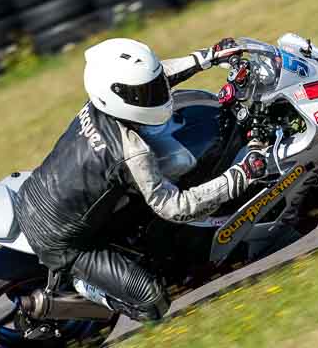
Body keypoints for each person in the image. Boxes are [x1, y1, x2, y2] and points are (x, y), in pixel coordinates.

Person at [14, 38, 267, 321]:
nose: (157, 94)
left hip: (35, 193)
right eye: (147, 92)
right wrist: (239, 176)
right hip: (63, 243)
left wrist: (207, 57)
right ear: (117, 94)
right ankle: (81, 286)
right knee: (154, 303)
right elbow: (175, 208)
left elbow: (156, 78)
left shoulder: (99, 104)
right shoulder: (131, 151)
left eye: (153, 87)